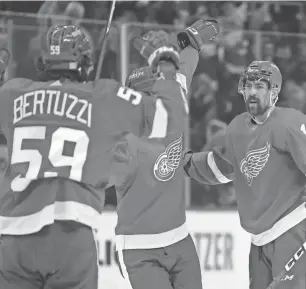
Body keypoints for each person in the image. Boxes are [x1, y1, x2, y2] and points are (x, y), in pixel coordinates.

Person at [0, 24, 184, 289]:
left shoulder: (13, 92)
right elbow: (170, 118)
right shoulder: (104, 96)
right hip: (70, 237)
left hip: (12, 238)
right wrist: (165, 63)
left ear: (43, 60)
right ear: (86, 63)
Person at [109, 20, 219, 289]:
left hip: (180, 240)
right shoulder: (123, 136)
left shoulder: (172, 99)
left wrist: (192, 40)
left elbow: (186, 65)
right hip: (139, 249)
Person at [183, 60, 306, 289]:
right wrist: (186, 163)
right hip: (258, 242)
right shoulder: (237, 128)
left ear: (274, 92)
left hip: (293, 232)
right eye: (248, 86)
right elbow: (223, 166)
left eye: (259, 87)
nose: (251, 92)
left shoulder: (291, 123)